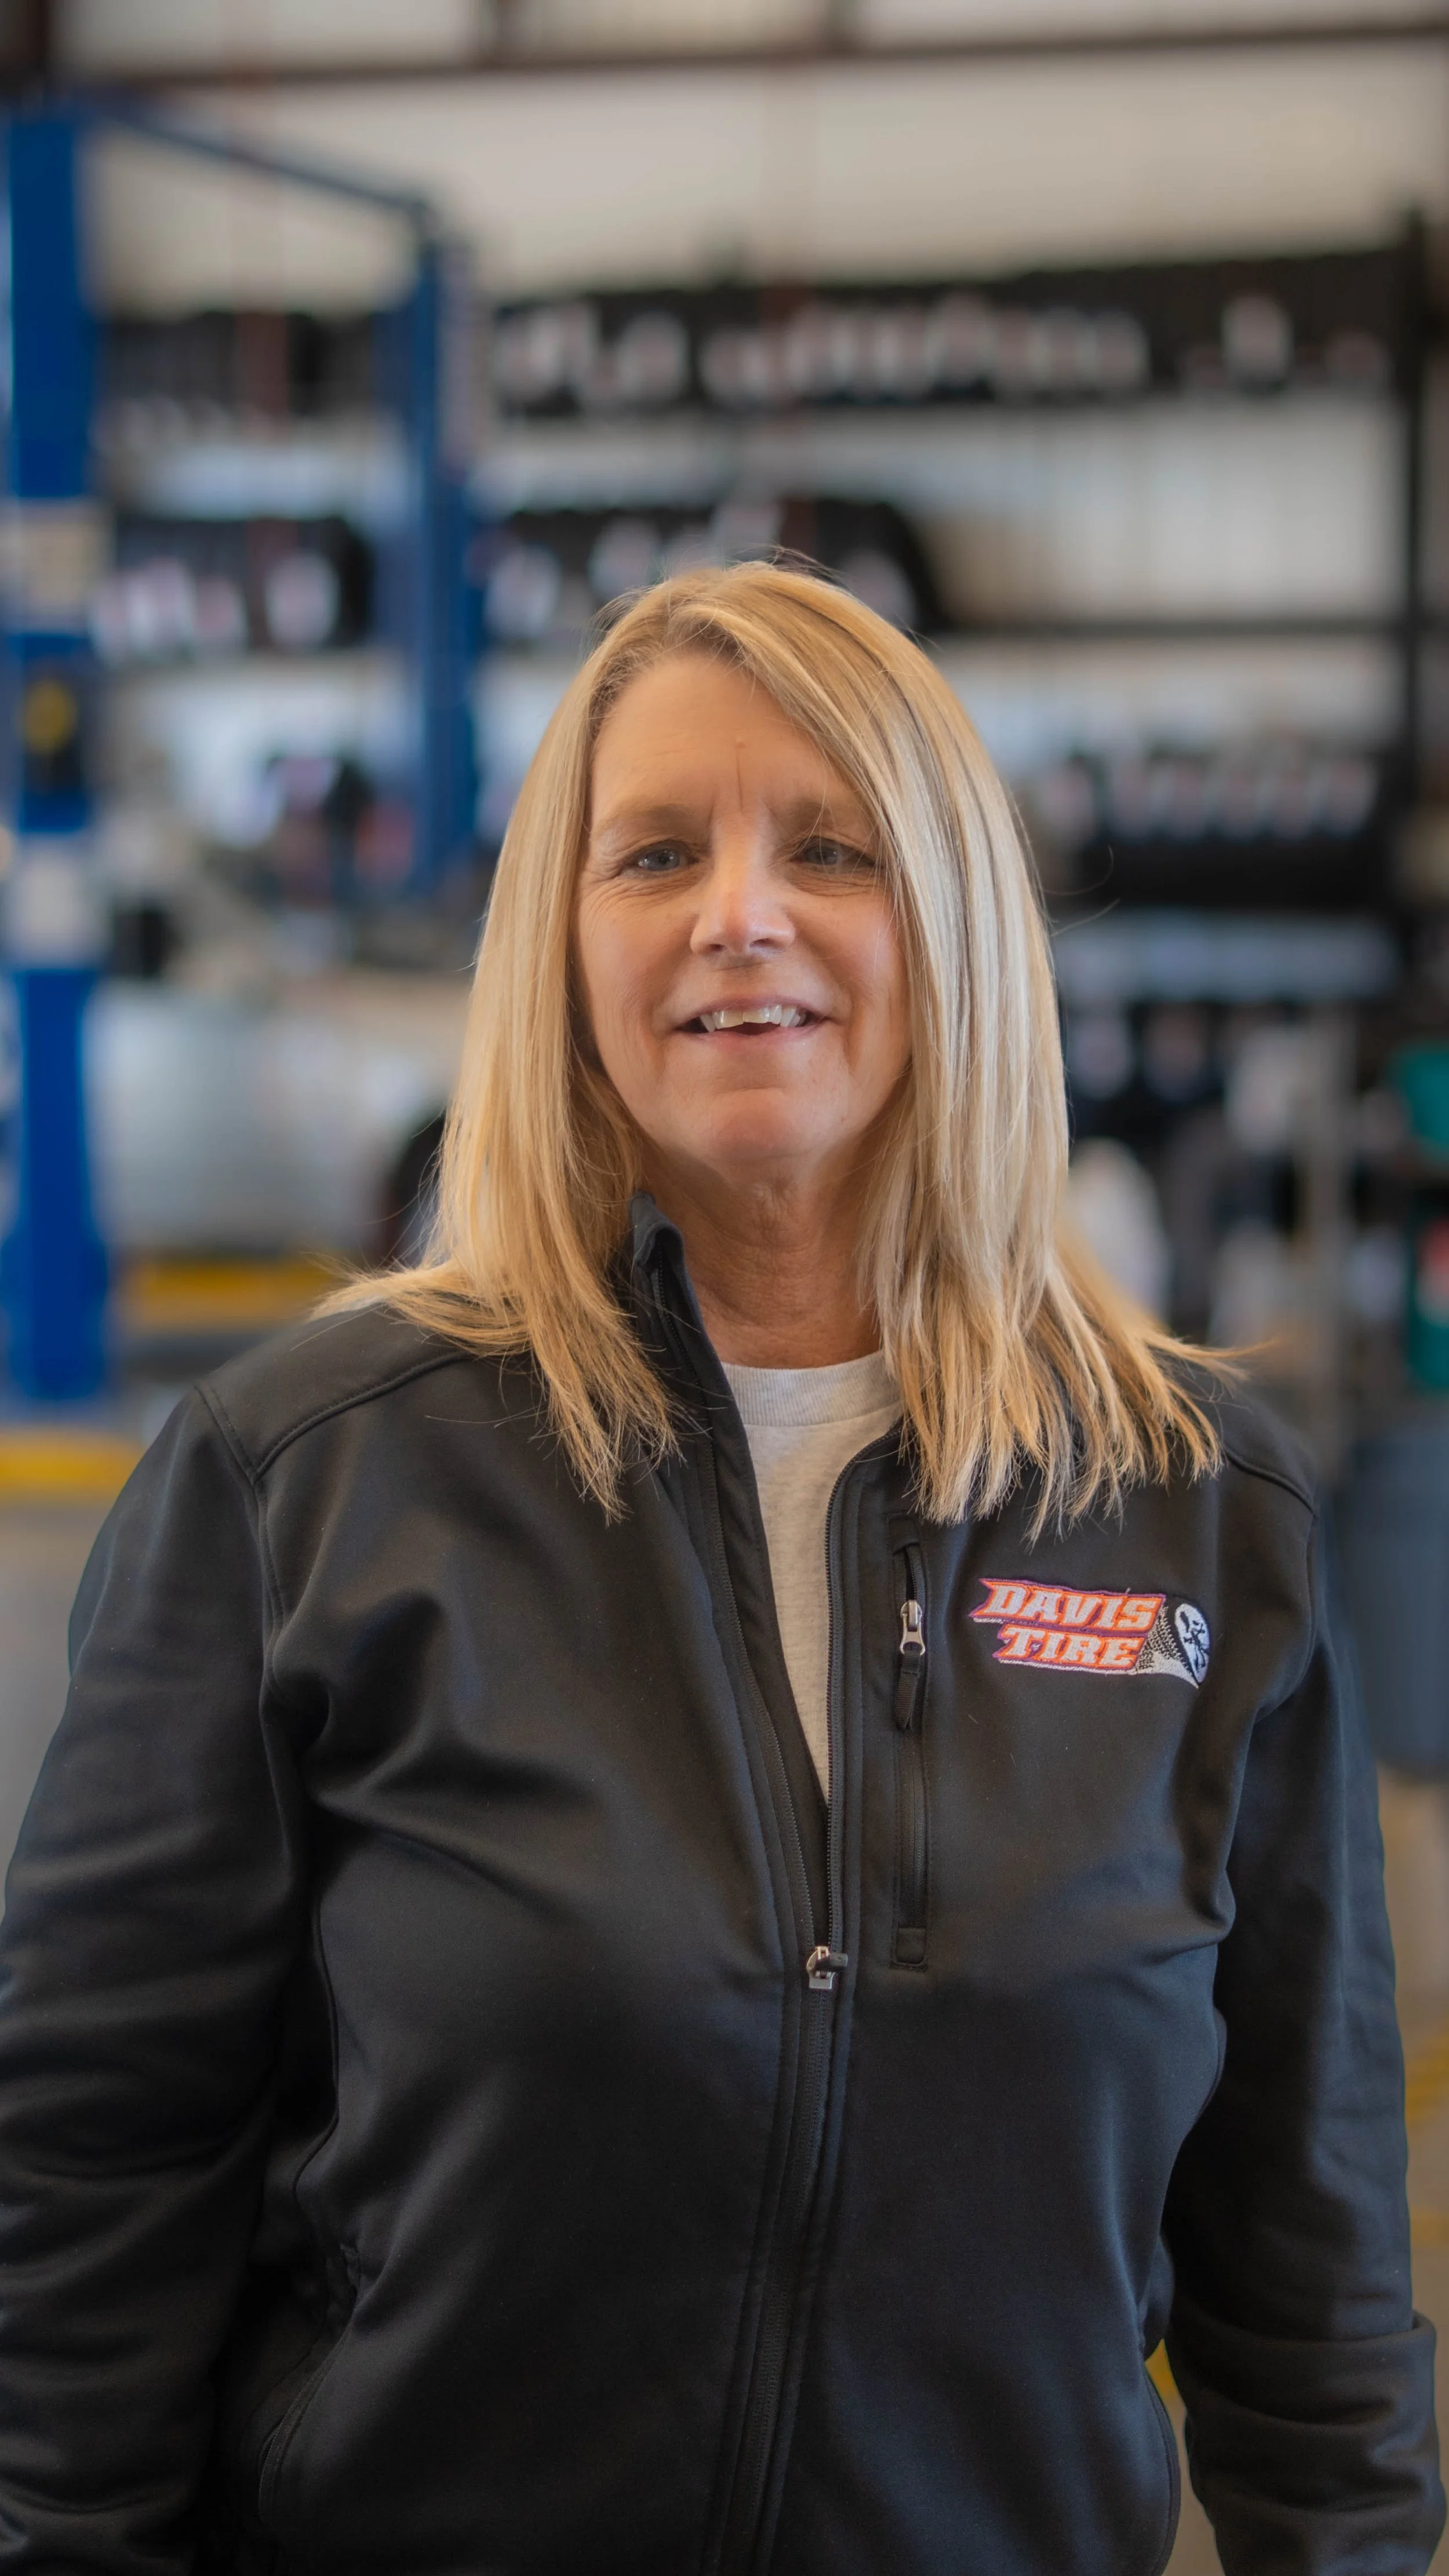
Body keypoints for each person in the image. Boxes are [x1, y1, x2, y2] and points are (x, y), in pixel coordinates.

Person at [0, 563, 1438, 2576]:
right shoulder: (303, 1482)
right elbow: (84, 2187)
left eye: (828, 845)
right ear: (559, 945)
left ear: (948, 917)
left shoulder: (1200, 1508)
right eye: (655, 851)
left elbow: (1310, 2279)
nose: (737, 912)